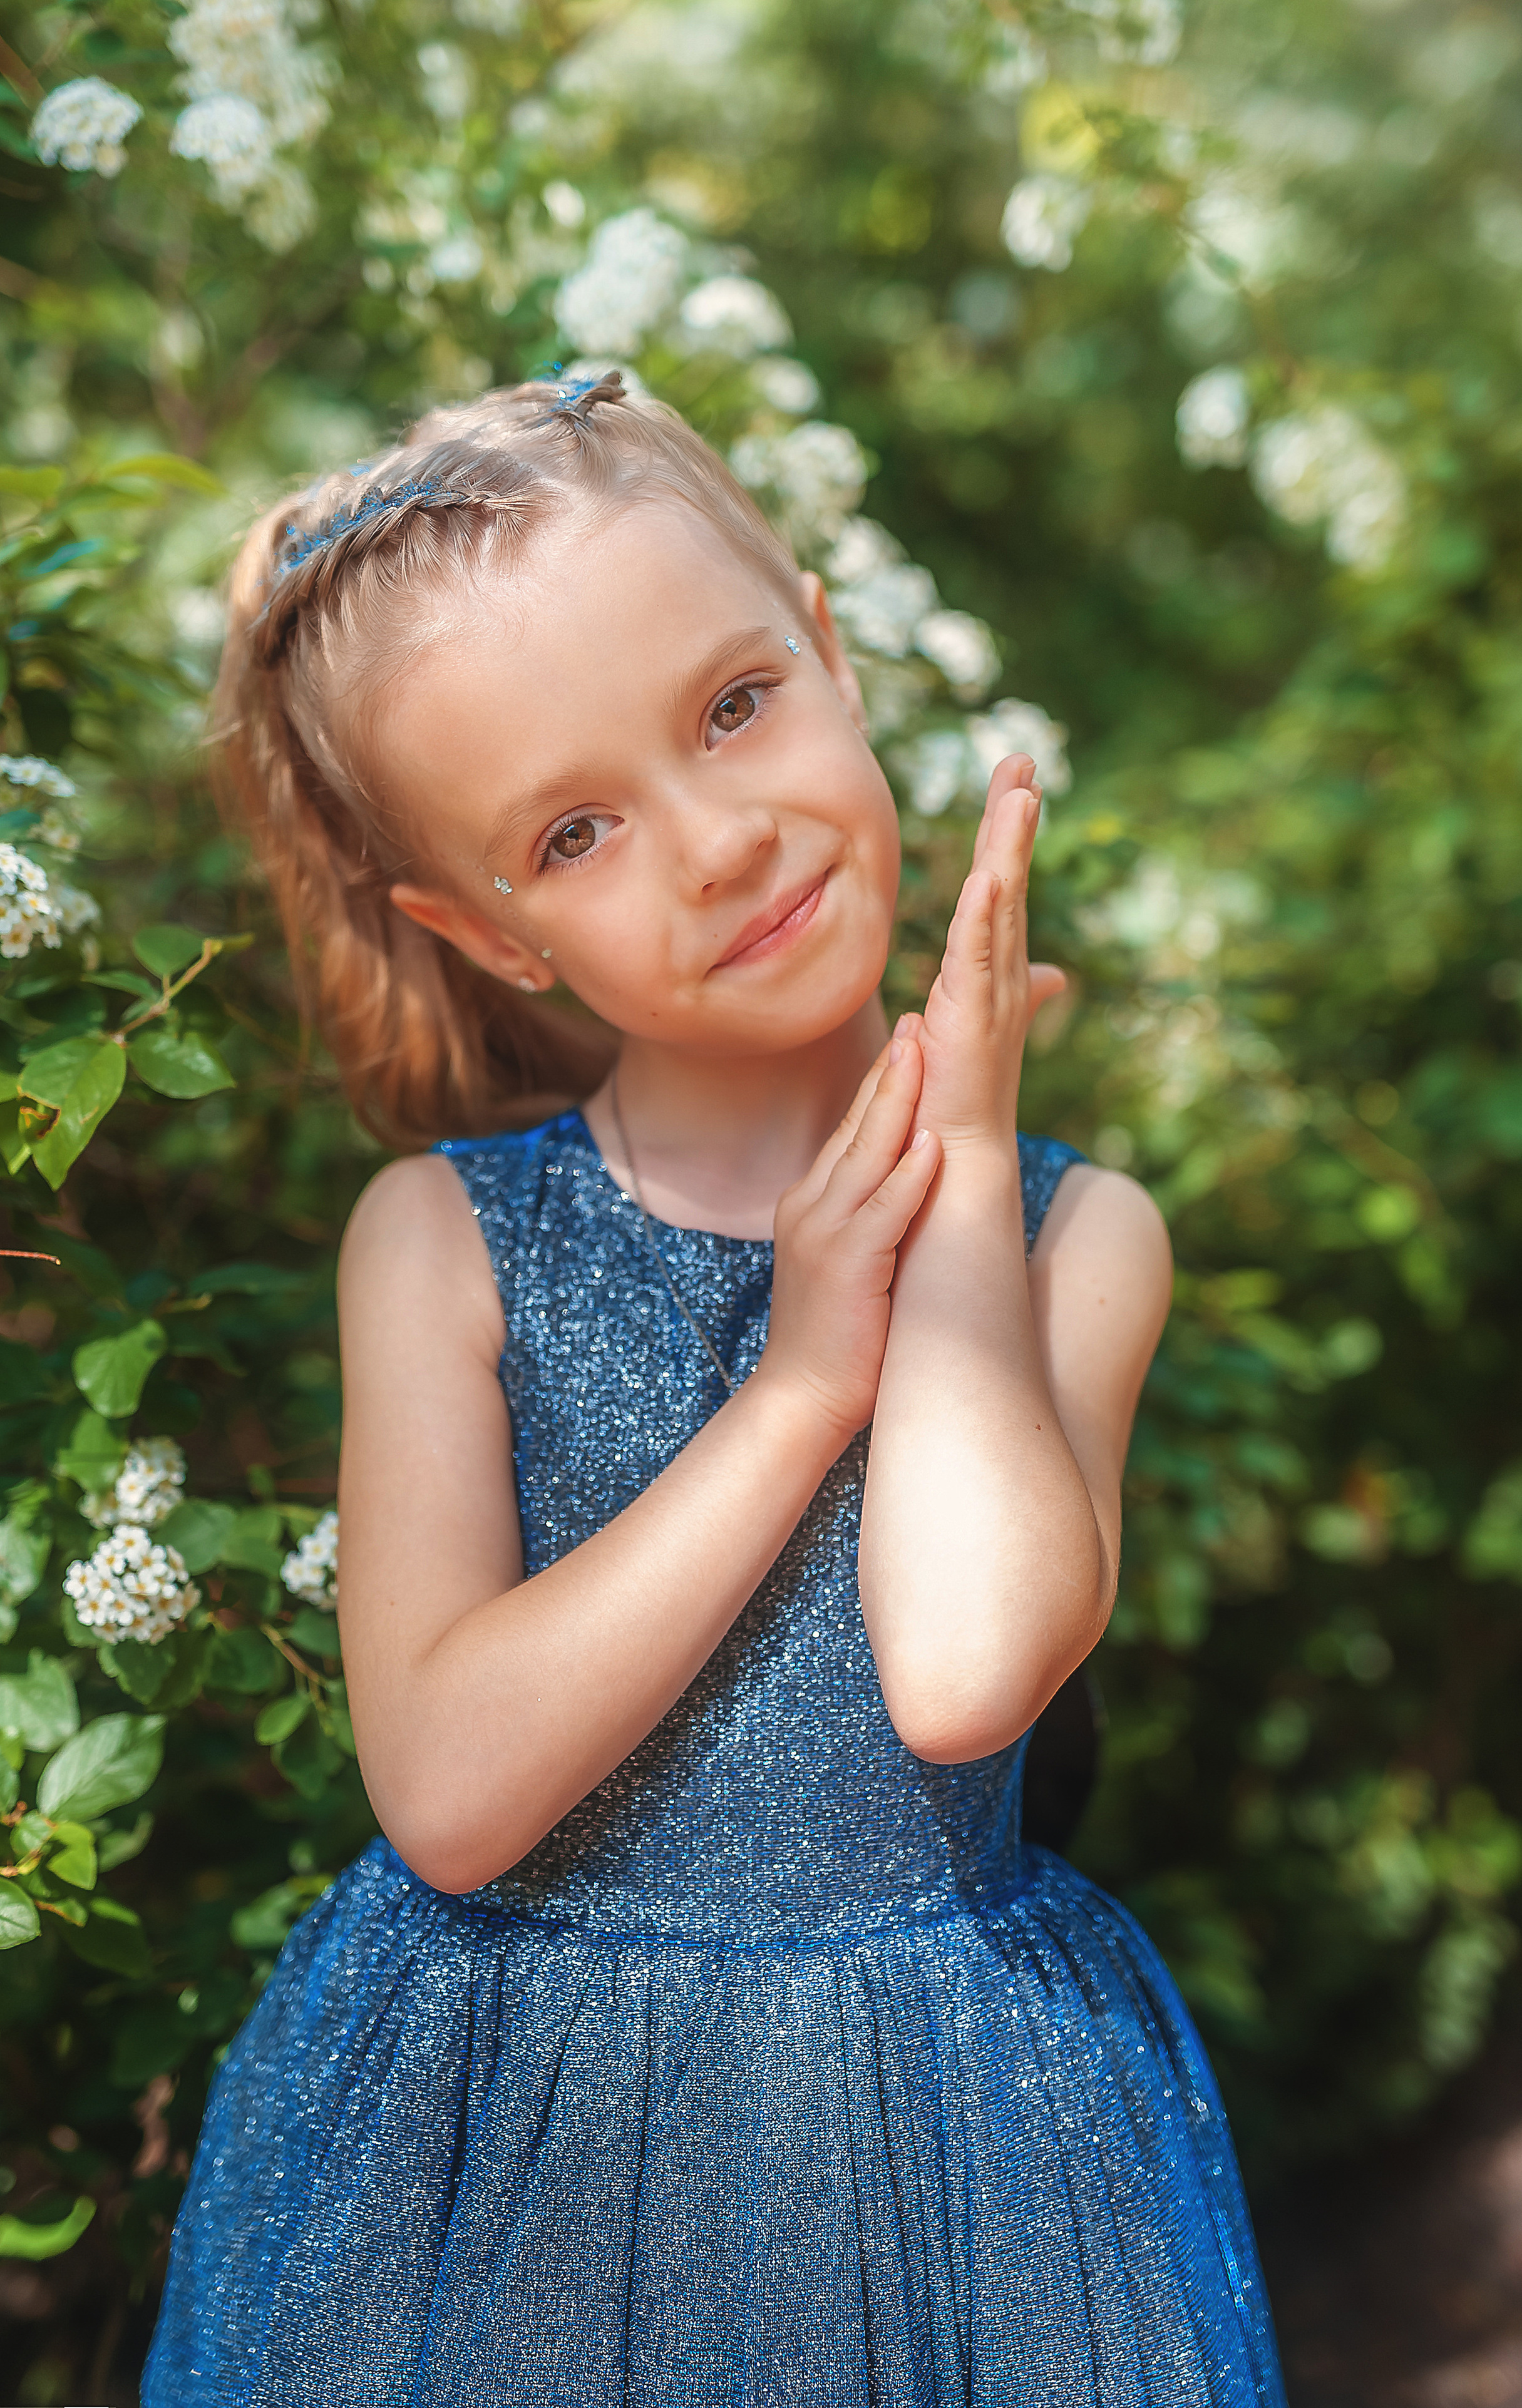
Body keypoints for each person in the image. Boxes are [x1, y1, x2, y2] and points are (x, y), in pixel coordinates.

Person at [143, 373, 1286, 2405]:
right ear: (483, 931)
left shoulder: (1072, 1238)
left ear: (836, 657)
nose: (718, 837)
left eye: (738, 704)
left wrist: (957, 1157)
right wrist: (796, 1385)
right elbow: (452, 1796)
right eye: (572, 833)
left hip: (952, 2162)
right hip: (515, 2172)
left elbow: (960, 1670)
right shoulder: (442, 1241)